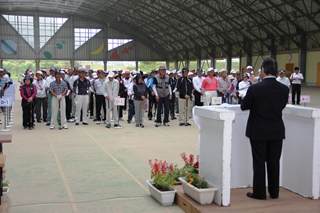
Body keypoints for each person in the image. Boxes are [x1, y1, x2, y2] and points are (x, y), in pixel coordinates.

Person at [241, 58, 289, 200]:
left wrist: (244, 98)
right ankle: (274, 192)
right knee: (274, 162)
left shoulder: (255, 88)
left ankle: (260, 193)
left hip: (258, 130)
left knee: (259, 162)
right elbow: (282, 105)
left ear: (263, 70)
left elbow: (245, 106)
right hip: (276, 130)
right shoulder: (284, 89)